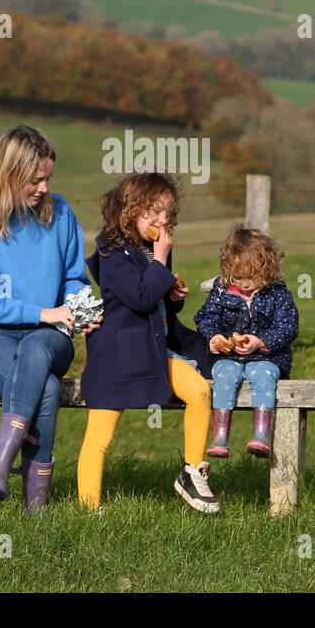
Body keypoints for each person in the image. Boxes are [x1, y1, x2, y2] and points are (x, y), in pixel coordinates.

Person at [0, 124, 101, 512]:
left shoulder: (60, 213)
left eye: (48, 178)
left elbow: (73, 279)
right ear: (7, 175)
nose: (44, 188)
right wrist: (43, 312)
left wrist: (80, 310)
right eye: (35, 180)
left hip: (50, 337)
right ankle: (36, 505)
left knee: (35, 345)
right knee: (45, 389)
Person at [77, 172, 219, 513]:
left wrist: (173, 295)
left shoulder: (155, 250)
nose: (162, 220)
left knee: (199, 391)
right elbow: (139, 297)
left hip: (154, 352)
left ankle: (192, 473)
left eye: (167, 212)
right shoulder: (111, 252)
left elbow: (157, 306)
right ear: (129, 211)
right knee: (100, 436)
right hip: (119, 357)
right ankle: (88, 509)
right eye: (153, 212)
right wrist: (161, 266)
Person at [194, 225, 299, 460]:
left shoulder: (278, 295)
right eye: (238, 278)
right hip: (228, 356)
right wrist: (214, 338)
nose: (245, 284)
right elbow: (205, 319)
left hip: (267, 356)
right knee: (223, 374)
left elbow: (288, 327)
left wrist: (261, 341)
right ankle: (220, 435)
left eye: (251, 277)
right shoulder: (221, 294)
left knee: (263, 375)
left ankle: (261, 434)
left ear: (267, 269)